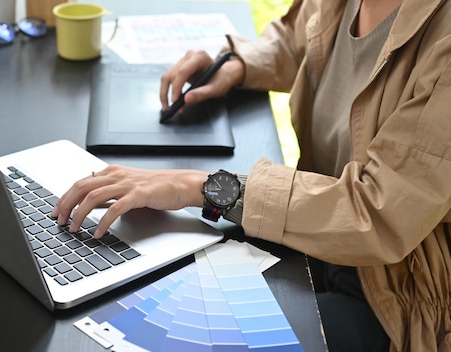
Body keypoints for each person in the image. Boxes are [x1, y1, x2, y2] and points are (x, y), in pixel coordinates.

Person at [52, 0, 451, 350]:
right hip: (316, 239)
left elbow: (376, 213)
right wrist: (238, 64)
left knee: (199, 331)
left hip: (394, 295)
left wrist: (205, 188)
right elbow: (304, 39)